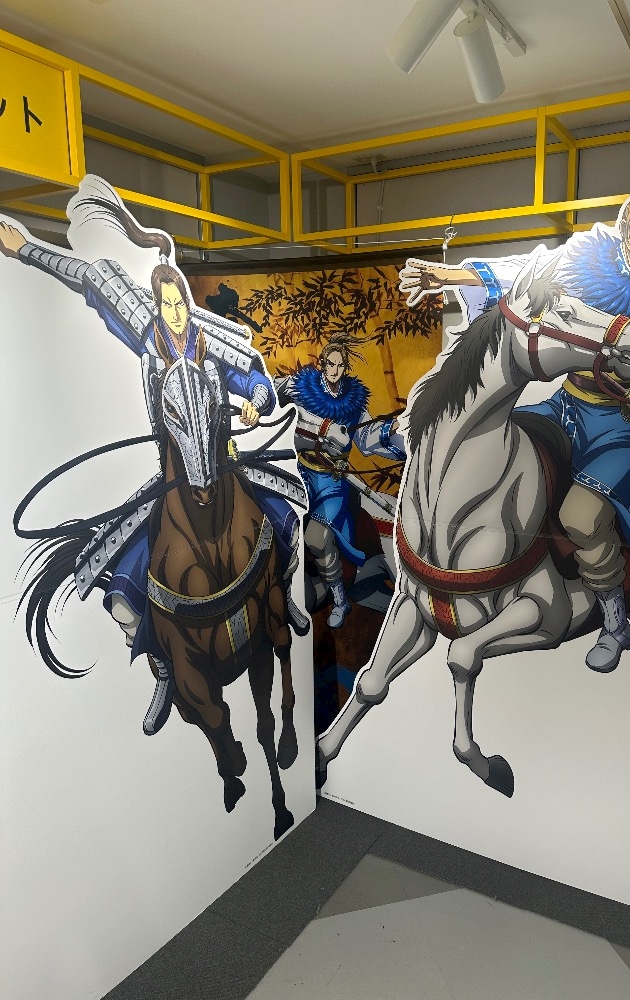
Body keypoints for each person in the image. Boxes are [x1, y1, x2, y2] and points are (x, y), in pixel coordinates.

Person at [399, 165, 630, 672]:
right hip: (564, 407)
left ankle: (614, 620)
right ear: (625, 224)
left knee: (582, 517)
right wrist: (450, 276)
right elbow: (523, 274)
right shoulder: (585, 263)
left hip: (621, 423)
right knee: (494, 453)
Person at [0, 200, 309, 733]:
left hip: (225, 467)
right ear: (157, 305)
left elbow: (255, 378)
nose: (174, 313)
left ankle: (284, 602)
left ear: (187, 303)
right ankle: (164, 667)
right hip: (173, 479)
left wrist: (257, 401)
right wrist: (27, 249)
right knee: (121, 596)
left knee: (288, 521)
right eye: (165, 304)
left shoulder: (214, 344)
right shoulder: (145, 335)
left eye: (179, 303)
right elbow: (90, 278)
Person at [276, 333, 406, 628]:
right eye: (330, 364)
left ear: (345, 368)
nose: (334, 370)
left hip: (332, 481)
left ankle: (339, 600)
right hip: (299, 473)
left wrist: (392, 430)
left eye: (340, 365)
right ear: (322, 364)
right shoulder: (301, 389)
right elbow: (273, 397)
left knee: (317, 539)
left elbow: (367, 438)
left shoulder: (353, 403)